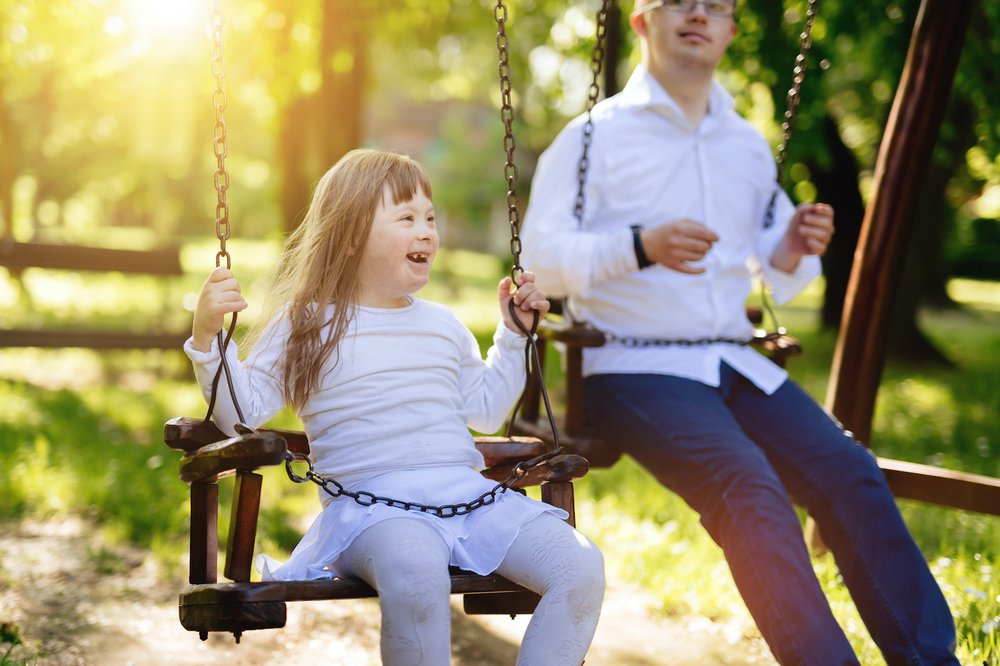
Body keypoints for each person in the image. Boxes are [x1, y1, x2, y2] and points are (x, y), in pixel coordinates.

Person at [521, 1, 958, 663]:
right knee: (748, 489)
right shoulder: (593, 138)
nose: (699, 14)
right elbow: (540, 260)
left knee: (849, 471)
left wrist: (792, 245)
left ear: (729, 31)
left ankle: (930, 659)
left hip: (732, 360)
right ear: (642, 21)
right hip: (629, 367)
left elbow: (777, 264)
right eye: (680, 2)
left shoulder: (745, 144)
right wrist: (641, 247)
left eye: (717, 6)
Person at [185, 149, 604, 666]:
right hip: (372, 510)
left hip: (470, 501)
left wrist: (514, 335)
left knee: (579, 567)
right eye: (405, 217)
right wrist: (209, 339)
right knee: (416, 569)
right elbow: (239, 417)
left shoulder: (443, 324)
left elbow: (487, 410)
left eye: (429, 217)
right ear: (352, 232)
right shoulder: (307, 322)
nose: (426, 230)